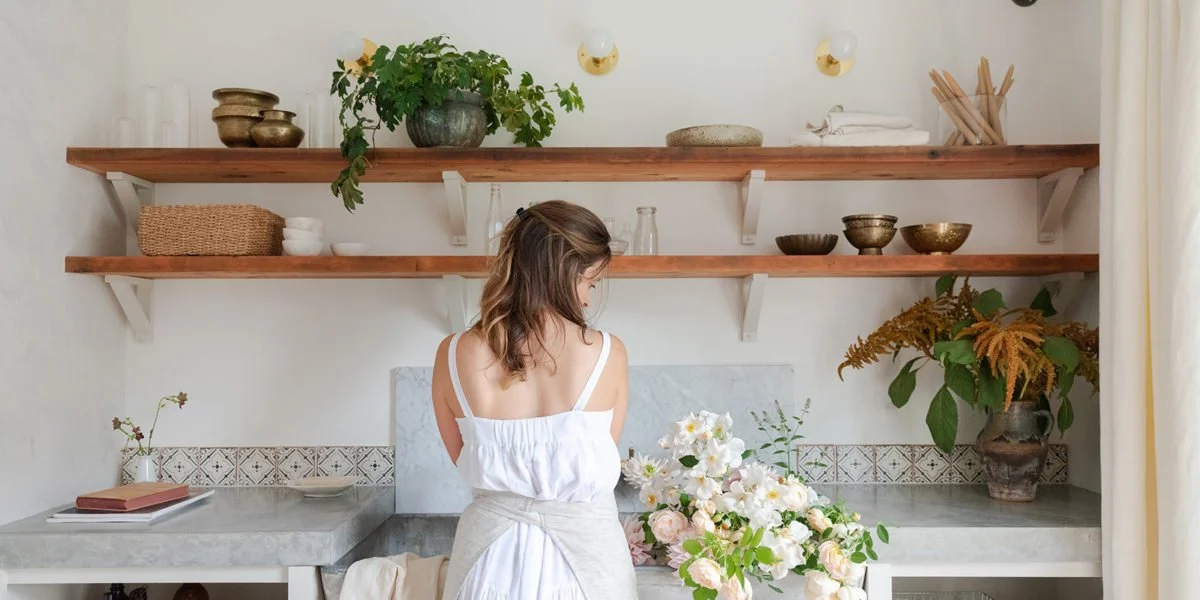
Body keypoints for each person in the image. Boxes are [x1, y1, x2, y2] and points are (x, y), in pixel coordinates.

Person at [431, 200, 638, 600]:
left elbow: (460, 456)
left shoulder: (453, 353)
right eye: (589, 282)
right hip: (589, 571)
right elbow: (604, 453)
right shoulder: (608, 353)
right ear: (563, 274)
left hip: (487, 567)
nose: (588, 300)